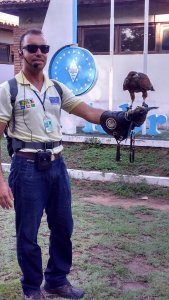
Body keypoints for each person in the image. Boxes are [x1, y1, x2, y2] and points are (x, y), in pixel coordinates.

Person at [0, 29, 147, 300]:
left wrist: (121, 116)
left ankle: (56, 280)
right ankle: (32, 287)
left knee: (63, 226)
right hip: (26, 167)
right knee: (28, 233)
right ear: (21, 53)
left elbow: (88, 111)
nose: (39, 53)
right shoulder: (8, 90)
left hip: (57, 165)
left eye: (44, 48)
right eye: (32, 48)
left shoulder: (56, 87)